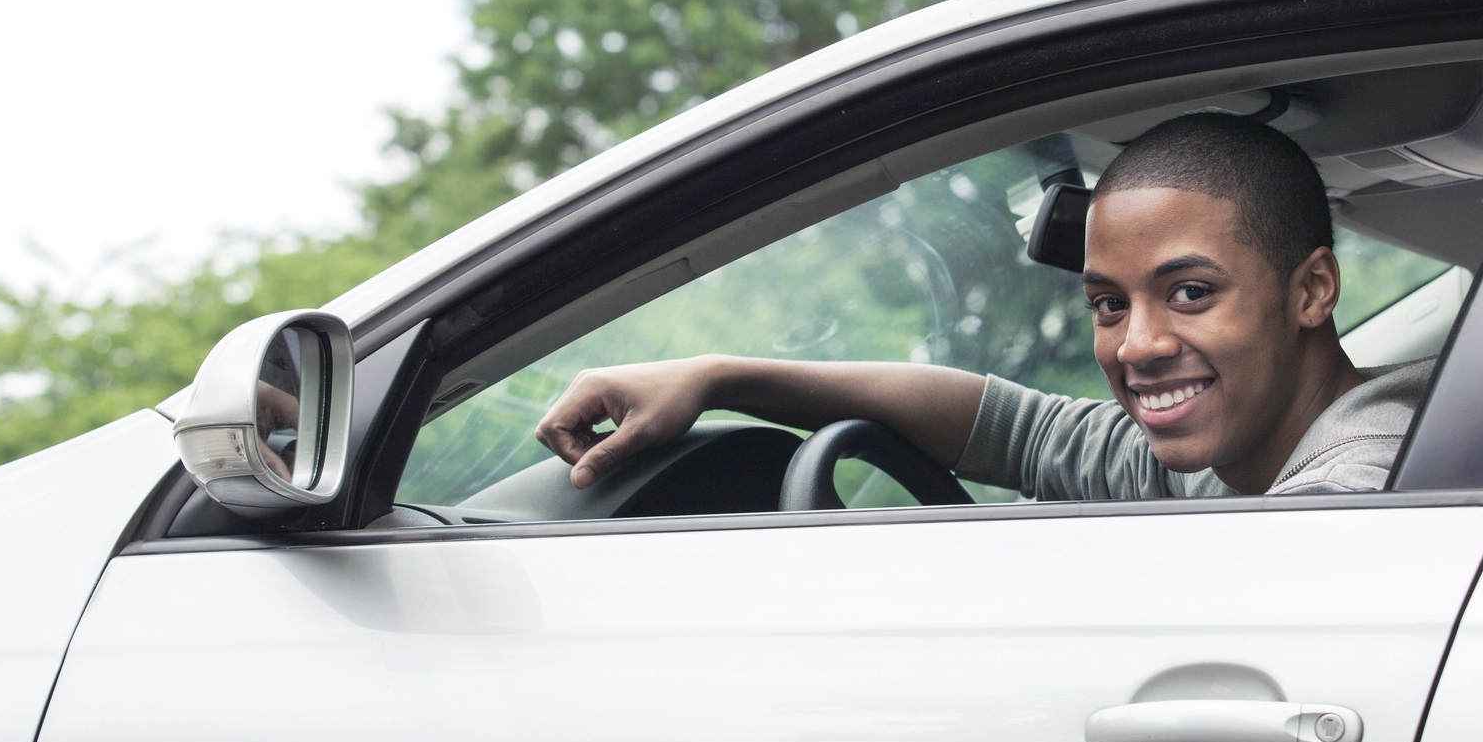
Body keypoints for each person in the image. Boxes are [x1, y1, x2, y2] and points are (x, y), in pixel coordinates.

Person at [535, 112, 1433, 499]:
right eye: (1108, 304)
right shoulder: (1233, 446)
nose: (1139, 345)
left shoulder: (1365, 479)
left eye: (1190, 293)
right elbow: (1012, 427)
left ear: (1312, 290)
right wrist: (716, 373)